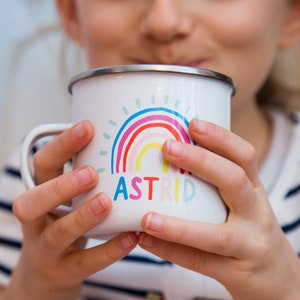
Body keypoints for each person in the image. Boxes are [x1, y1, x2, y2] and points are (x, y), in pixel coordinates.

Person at [1, 0, 300, 299]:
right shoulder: (38, 179)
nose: (163, 22)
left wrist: (285, 289)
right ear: (71, 14)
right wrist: (40, 282)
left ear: (292, 13)